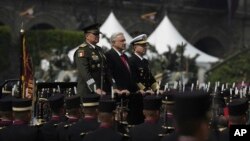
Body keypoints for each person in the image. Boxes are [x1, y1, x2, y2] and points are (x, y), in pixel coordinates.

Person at [105, 32, 143, 125]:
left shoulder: (125, 56)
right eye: (122, 41)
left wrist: (140, 88)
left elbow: (131, 77)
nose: (125, 42)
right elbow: (109, 74)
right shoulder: (109, 55)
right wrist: (115, 88)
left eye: (125, 40)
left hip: (129, 95)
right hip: (119, 96)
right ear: (113, 43)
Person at [74, 23, 117, 97]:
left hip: (102, 90)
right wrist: (94, 87)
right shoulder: (82, 51)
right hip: (88, 91)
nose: (98, 36)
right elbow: (84, 72)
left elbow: (106, 70)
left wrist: (114, 86)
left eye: (98, 34)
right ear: (87, 36)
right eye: (95, 34)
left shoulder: (99, 50)